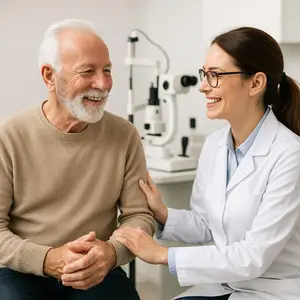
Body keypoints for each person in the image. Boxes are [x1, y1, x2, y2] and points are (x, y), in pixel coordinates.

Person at [113, 26, 300, 300]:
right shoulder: (214, 146)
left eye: (215, 76)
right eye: (205, 74)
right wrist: (164, 214)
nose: (202, 86)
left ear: (256, 83)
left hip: (273, 290)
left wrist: (163, 255)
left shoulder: (290, 154)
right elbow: (208, 225)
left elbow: (253, 256)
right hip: (225, 285)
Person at [0, 19, 155, 300]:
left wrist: (110, 252)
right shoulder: (8, 136)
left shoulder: (125, 135)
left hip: (97, 268)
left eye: (107, 70)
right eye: (88, 71)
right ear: (49, 76)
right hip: (20, 270)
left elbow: (139, 216)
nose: (103, 84)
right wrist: (47, 259)